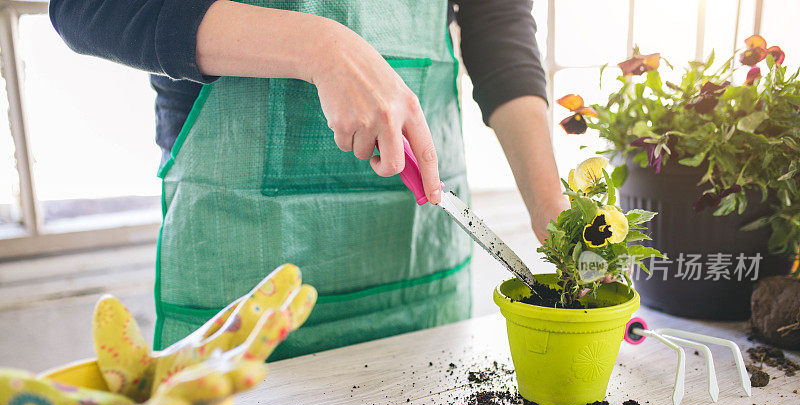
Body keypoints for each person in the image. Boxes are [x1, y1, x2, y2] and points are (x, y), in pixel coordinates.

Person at [49, 0, 569, 359]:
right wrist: (320, 49)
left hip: (422, 284)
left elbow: (499, 25)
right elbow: (87, 9)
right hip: (241, 283)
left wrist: (553, 210)